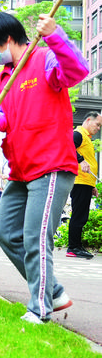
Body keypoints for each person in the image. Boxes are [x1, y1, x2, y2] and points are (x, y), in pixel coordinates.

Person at [0, 11, 88, 324]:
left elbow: (77, 70)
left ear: (6, 39)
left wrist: (55, 34)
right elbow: (3, 113)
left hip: (51, 165)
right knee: (5, 233)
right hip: (20, 169)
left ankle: (40, 310)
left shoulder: (46, 59)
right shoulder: (5, 76)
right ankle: (52, 291)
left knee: (36, 239)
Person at [68, 111, 102, 259]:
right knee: (79, 215)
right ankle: (73, 248)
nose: (99, 128)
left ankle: (77, 246)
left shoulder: (86, 138)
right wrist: (80, 160)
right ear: (88, 120)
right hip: (79, 182)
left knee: (82, 215)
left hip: (85, 183)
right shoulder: (78, 134)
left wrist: (92, 186)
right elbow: (67, 146)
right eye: (98, 124)